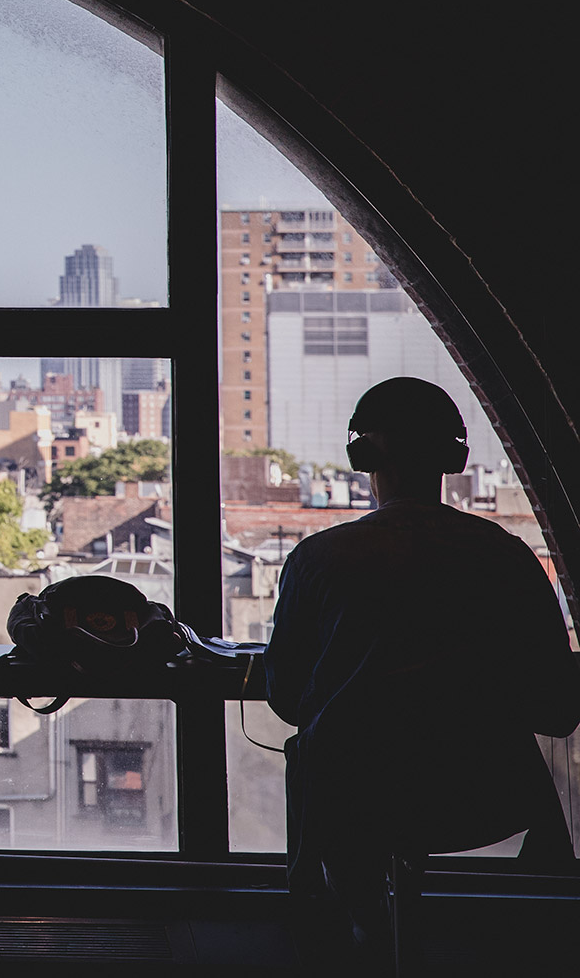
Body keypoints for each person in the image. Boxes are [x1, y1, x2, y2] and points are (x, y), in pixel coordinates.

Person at [259, 376, 580, 966]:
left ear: (361, 456)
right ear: (455, 457)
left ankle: (367, 935)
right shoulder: (508, 557)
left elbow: (285, 696)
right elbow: (558, 707)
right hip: (485, 796)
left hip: (356, 802)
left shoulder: (318, 560)